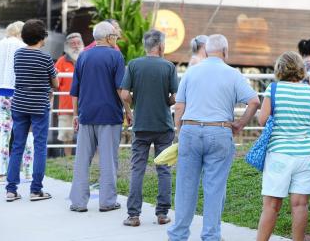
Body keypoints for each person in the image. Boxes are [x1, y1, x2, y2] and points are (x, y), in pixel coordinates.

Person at [167, 34, 260, 241]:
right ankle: (210, 236)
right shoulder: (233, 74)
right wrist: (240, 124)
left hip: (190, 130)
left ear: (206, 51)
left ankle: (178, 236)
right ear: (225, 52)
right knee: (215, 187)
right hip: (219, 130)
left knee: (185, 186)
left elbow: (180, 105)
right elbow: (254, 101)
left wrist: (180, 133)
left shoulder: (191, 72)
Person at [256, 51, 310, 241]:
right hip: (307, 155)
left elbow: (262, 120)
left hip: (280, 155)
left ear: (280, 69)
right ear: (301, 69)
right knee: (300, 205)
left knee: (271, 205)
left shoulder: (274, 89)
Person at [69, 21, 130, 212]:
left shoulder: (83, 56)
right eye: (114, 35)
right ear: (108, 37)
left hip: (86, 114)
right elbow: (121, 88)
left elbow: (75, 90)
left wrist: (75, 114)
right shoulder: (116, 56)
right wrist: (128, 111)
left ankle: (78, 202)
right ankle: (107, 202)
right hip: (109, 115)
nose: (116, 38)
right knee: (108, 160)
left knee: (82, 160)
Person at [121, 30, 178, 227]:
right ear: (161, 46)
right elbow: (175, 98)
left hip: (141, 125)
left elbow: (124, 94)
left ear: (146, 46)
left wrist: (136, 101)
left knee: (137, 169)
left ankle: (134, 215)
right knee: (164, 169)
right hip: (163, 125)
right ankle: (162, 214)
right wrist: (165, 100)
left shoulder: (134, 65)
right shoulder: (169, 66)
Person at [5, 19, 59, 202]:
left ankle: (11, 190)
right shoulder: (46, 58)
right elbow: (56, 83)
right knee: (40, 147)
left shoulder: (18, 54)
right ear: (42, 37)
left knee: (17, 146)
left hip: (19, 105)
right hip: (39, 106)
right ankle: (36, 190)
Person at [0, 21, 35, 183]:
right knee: (26, 131)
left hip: (0, 94)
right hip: (21, 94)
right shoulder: (24, 47)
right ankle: (29, 171)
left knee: (3, 133)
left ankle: (1, 173)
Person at [55, 33, 84, 157]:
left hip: (85, 105)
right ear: (67, 46)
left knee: (88, 134)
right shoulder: (61, 62)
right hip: (66, 106)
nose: (76, 46)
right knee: (67, 134)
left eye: (78, 43)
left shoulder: (87, 58)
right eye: (73, 43)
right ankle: (68, 159)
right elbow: (55, 83)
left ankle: (87, 158)